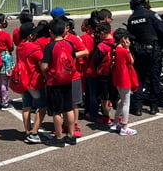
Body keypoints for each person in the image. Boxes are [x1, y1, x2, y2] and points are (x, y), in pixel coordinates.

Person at [127, 0, 163, 116]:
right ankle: (153, 107)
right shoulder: (151, 15)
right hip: (153, 51)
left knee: (139, 78)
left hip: (139, 52)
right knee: (154, 78)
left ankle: (138, 107)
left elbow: (131, 36)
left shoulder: (131, 19)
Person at [51, 8, 89, 138]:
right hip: (59, 77)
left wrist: (71, 55)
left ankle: (74, 125)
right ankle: (63, 125)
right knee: (61, 103)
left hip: (73, 76)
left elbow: (85, 51)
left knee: (73, 103)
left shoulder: (73, 39)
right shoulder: (54, 39)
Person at [41, 18, 77, 147]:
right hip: (67, 79)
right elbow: (73, 61)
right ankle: (71, 135)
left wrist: (46, 76)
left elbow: (44, 66)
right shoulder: (70, 44)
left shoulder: (49, 46)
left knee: (57, 111)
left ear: (51, 32)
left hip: (54, 81)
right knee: (69, 108)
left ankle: (59, 137)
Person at [16, 22, 47, 144]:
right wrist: (47, 78)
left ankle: (27, 131)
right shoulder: (34, 48)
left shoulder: (20, 47)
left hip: (23, 81)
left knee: (26, 107)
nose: (36, 34)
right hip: (35, 81)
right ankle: (34, 132)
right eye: (34, 33)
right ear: (29, 35)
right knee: (42, 107)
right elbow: (42, 65)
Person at [110, 28, 139, 136]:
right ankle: (124, 126)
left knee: (122, 101)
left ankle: (116, 122)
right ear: (123, 39)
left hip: (117, 77)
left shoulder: (115, 48)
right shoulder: (123, 50)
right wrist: (128, 48)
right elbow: (131, 61)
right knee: (126, 102)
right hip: (124, 78)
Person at [94, 22, 119, 124]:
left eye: (99, 33)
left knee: (104, 97)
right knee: (116, 96)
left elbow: (96, 61)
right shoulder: (117, 43)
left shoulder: (101, 46)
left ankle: (106, 117)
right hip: (115, 73)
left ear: (103, 33)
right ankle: (119, 115)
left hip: (104, 74)